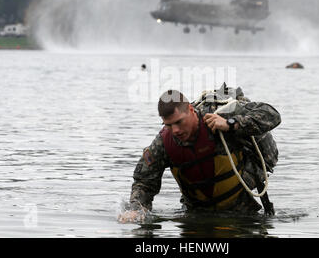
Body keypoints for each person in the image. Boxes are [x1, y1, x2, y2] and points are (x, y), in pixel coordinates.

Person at [118, 85, 281, 223]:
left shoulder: (220, 116)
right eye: (168, 125)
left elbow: (272, 114)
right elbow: (144, 182)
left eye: (179, 122)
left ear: (190, 110)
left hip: (242, 210)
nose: (175, 130)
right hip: (196, 213)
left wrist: (231, 124)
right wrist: (136, 210)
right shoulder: (163, 143)